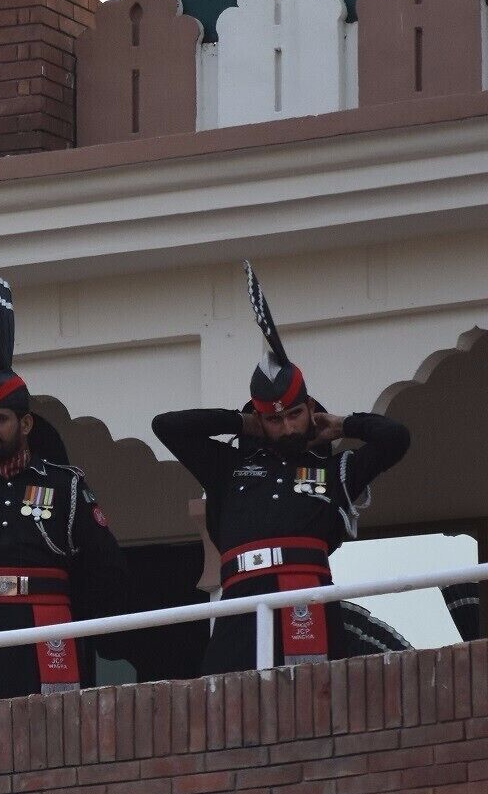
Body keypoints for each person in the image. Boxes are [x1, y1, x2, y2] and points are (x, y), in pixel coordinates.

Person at [152, 262, 412, 674]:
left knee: (315, 699)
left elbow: (396, 438)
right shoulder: (229, 465)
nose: (288, 427)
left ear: (309, 408)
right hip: (241, 605)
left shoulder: (336, 472)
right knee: (225, 700)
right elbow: (166, 426)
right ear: (260, 420)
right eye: (274, 420)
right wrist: (240, 424)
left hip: (307, 600)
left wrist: (345, 424)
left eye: (294, 414)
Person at [0, 270, 127, 702]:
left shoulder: (66, 485)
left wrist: (75, 615)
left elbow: (106, 568)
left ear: (25, 424)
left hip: (49, 626)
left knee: (55, 730)